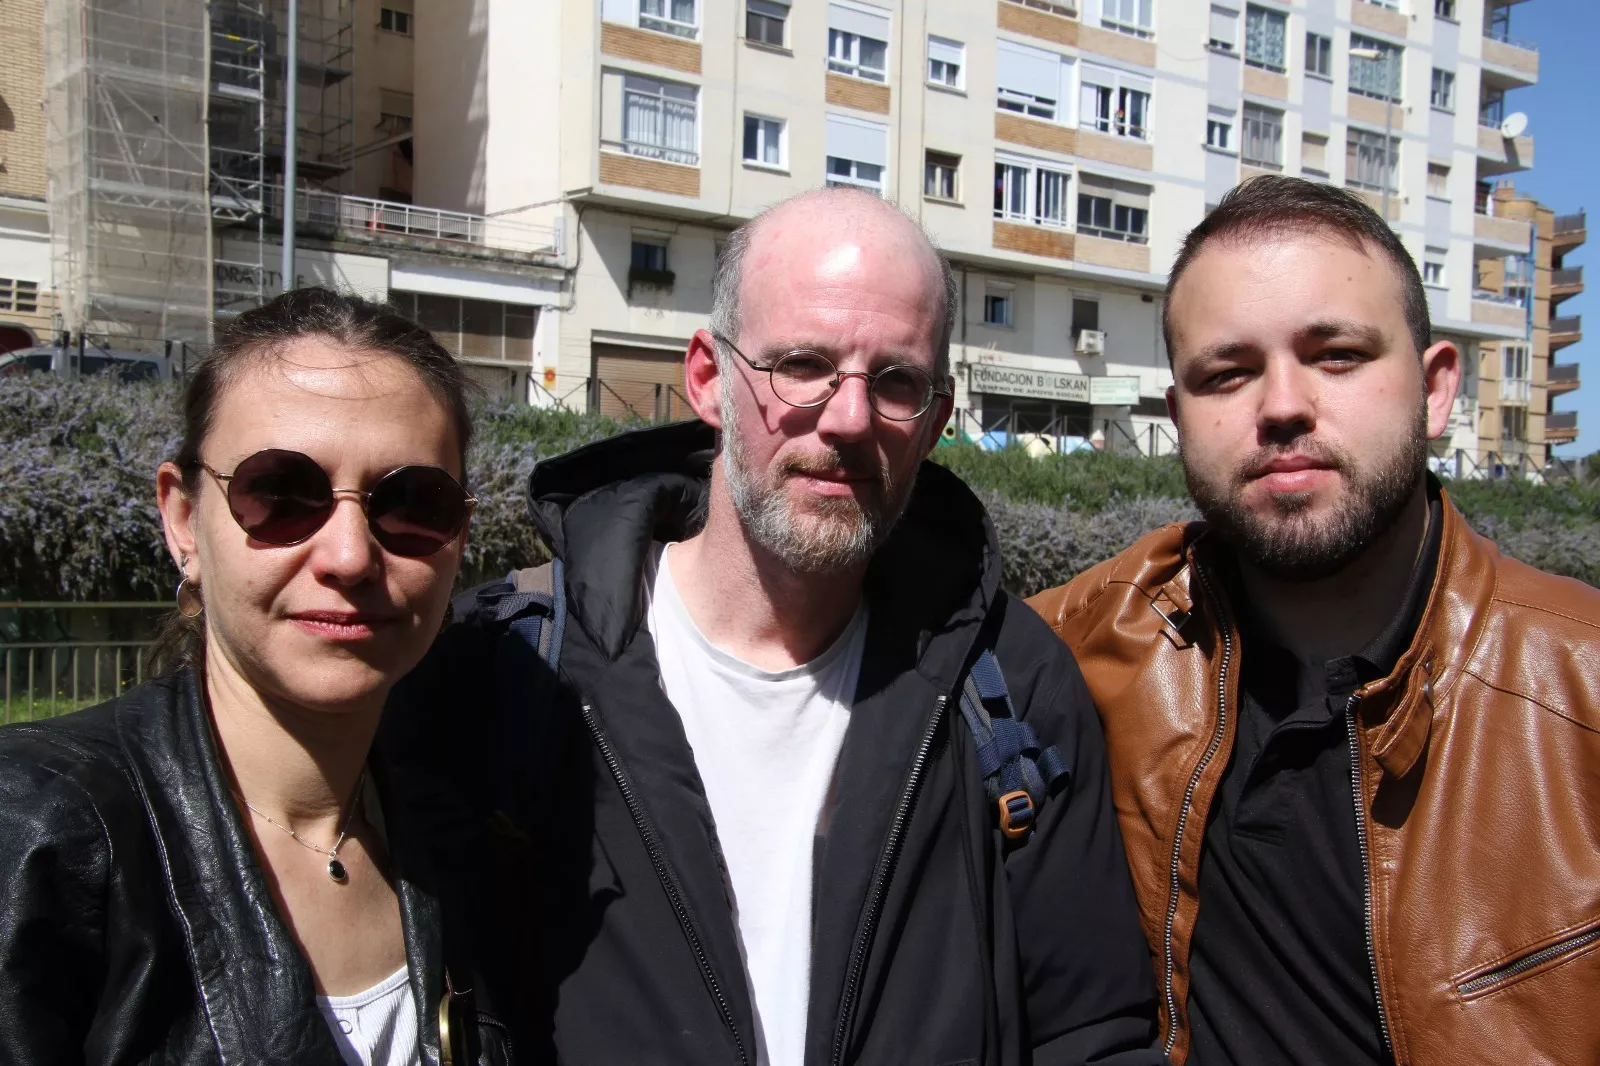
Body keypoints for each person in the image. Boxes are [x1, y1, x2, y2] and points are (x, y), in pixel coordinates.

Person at [387, 188, 1165, 1066]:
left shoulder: (1011, 683)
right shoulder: (512, 673)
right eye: (802, 364)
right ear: (710, 379)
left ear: (938, 423)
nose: (849, 419)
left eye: (897, 382)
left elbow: (1093, 1037)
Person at [1028, 175, 1600, 1065]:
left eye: (1336, 354)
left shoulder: (1581, 694)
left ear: (1437, 388)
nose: (1283, 404)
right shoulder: (1073, 654)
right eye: (1229, 371)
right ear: (1178, 417)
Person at [0, 288, 514, 1065]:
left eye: (411, 503)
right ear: (183, 520)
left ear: (458, 538)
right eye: (281, 494)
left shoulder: (469, 848)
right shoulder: (37, 842)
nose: (348, 556)